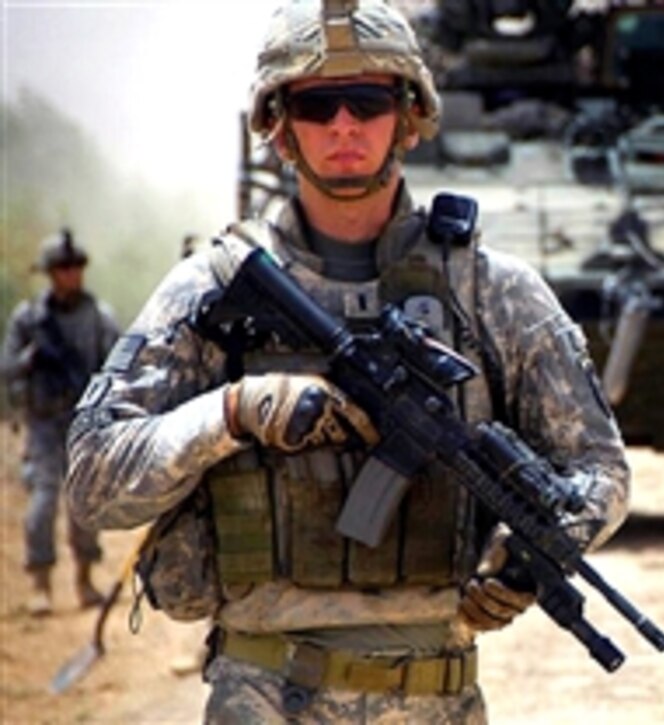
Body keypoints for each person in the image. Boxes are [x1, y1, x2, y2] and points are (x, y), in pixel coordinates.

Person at [64, 1, 629, 722]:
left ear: (409, 115)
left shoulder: (493, 291)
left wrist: (531, 550)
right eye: (315, 104)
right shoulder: (211, 289)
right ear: (278, 124)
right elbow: (92, 481)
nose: (342, 126)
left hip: (435, 697)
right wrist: (234, 412)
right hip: (263, 693)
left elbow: (600, 471)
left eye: (367, 101)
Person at [0, 228, 120, 616]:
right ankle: (41, 584)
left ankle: (85, 581)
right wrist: (30, 359)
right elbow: (7, 368)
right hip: (42, 422)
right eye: (63, 268)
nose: (71, 274)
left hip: (83, 422)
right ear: (50, 273)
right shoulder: (30, 319)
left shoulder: (99, 317)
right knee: (43, 501)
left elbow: (119, 367)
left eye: (76, 267)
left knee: (84, 502)